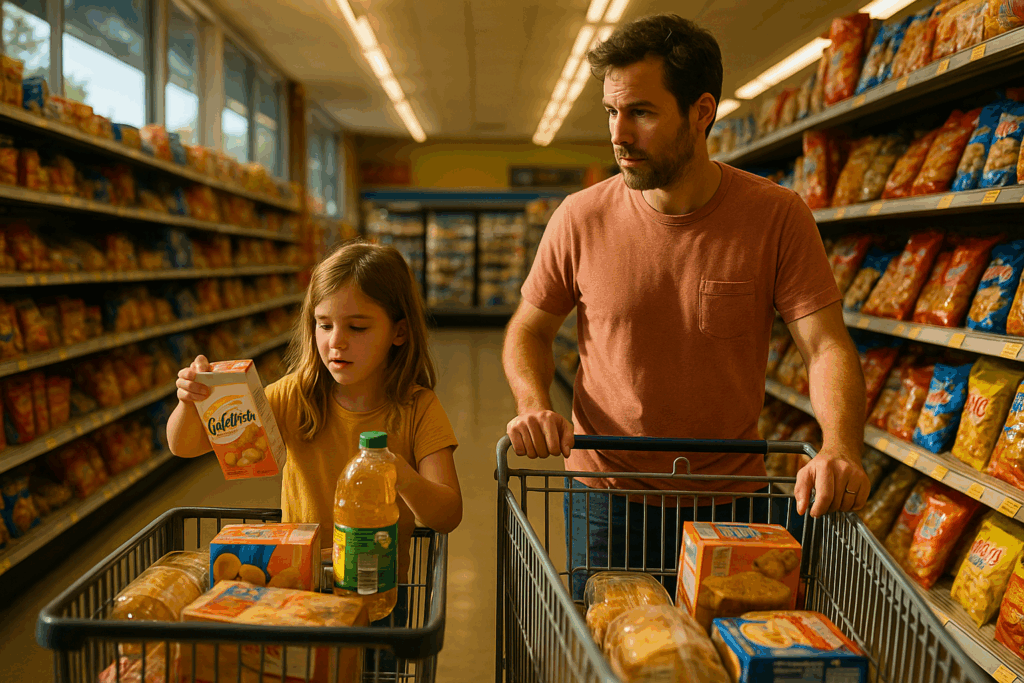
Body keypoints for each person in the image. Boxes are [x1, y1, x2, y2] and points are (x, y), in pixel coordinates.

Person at [502, 14, 868, 600]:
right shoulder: (579, 217)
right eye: (611, 112)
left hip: (730, 499)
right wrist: (532, 403)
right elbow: (530, 328)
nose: (619, 133)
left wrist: (840, 447)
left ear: (701, 113)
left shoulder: (776, 216)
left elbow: (825, 345)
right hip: (606, 501)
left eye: (641, 113)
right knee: (617, 654)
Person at [167, 241, 463, 669]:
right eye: (323, 325)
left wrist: (403, 476)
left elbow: (447, 513)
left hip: (371, 597)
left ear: (399, 332)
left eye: (357, 328)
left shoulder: (417, 408)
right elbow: (185, 445)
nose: (335, 342)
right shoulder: (294, 396)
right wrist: (192, 402)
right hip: (294, 589)